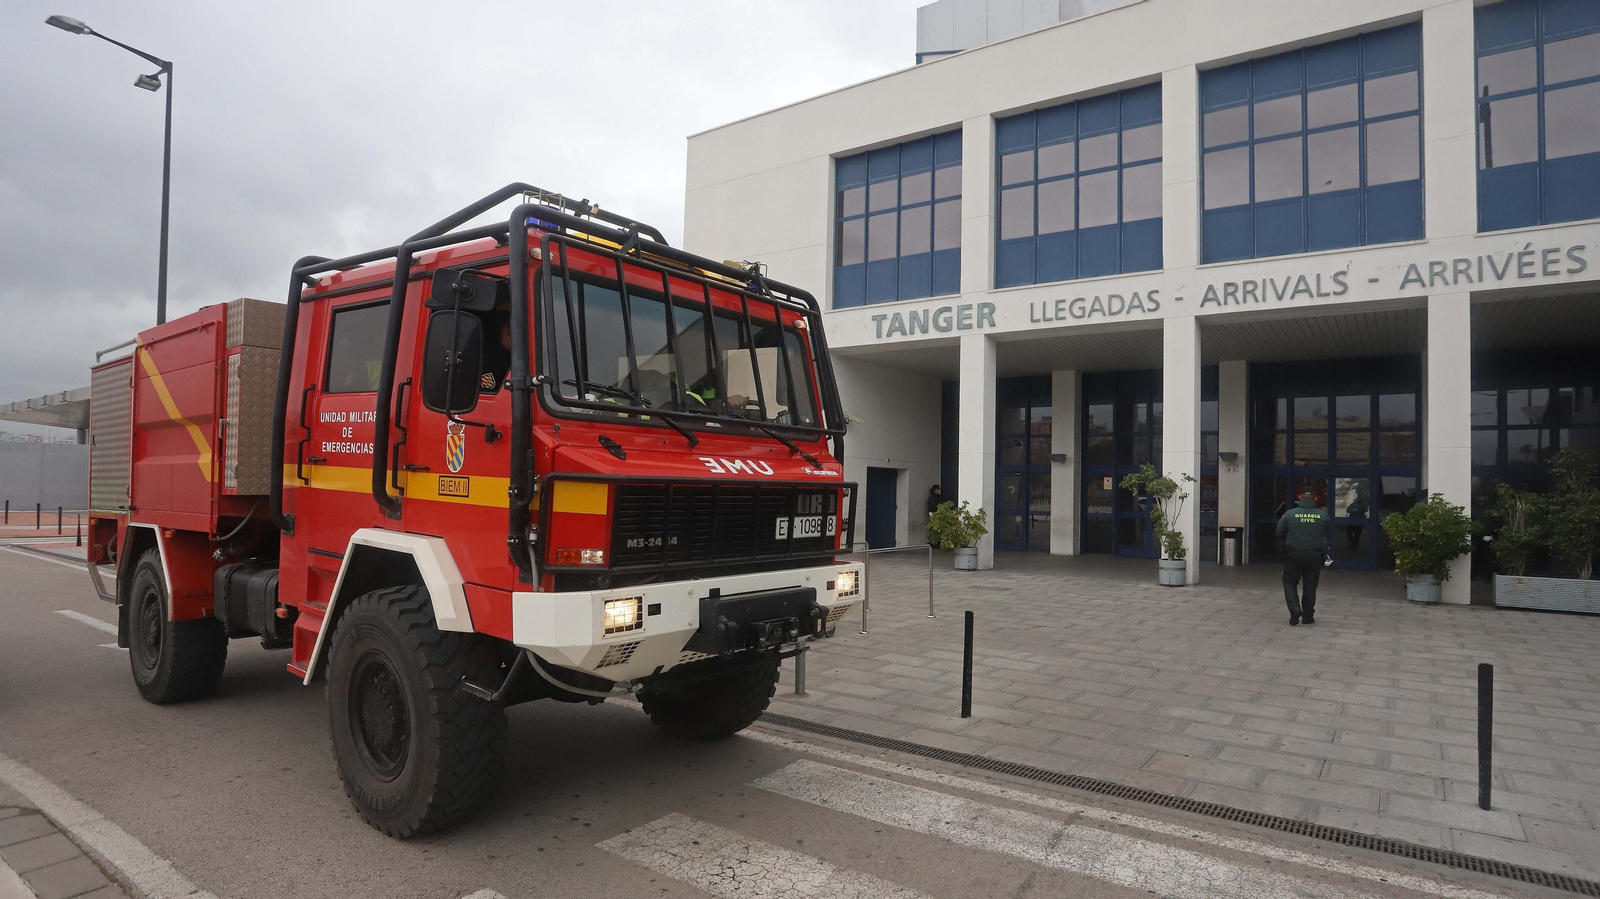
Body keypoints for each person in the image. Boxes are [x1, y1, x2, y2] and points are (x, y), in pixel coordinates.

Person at [1276, 486, 1331, 626]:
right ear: (1316, 499)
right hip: (1315, 555)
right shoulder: (1323, 515)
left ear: (1299, 498)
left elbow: (1279, 532)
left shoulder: (1289, 514)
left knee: (1289, 581)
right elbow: (1329, 533)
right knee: (1310, 585)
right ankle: (1307, 616)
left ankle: (1294, 609)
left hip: (1293, 554)